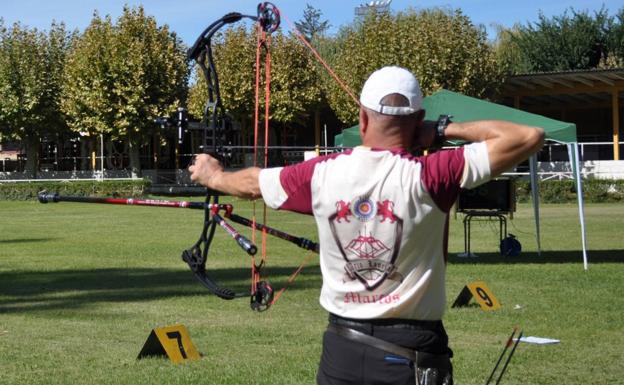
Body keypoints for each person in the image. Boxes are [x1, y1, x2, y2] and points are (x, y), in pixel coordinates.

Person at [189, 66, 544, 385]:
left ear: (362, 118)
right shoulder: (433, 174)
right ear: (418, 119)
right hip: (411, 352)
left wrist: (213, 174)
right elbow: (528, 136)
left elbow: (252, 184)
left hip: (343, 351)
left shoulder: (320, 175)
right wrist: (441, 129)